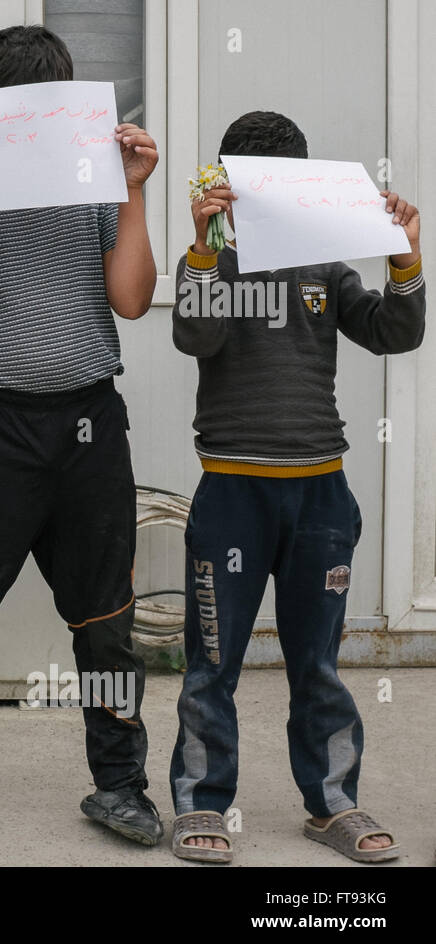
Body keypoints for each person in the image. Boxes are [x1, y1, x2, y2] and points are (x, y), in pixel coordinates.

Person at [0, 25, 162, 858]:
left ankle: (120, 785)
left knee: (108, 619)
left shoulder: (97, 177)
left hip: (90, 422)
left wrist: (133, 191)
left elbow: (130, 301)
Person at [169, 110, 421, 864]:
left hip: (320, 495)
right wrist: (202, 245)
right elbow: (196, 335)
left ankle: (332, 803)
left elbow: (392, 332)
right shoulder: (210, 261)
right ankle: (201, 805)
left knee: (317, 664)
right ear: (229, 190)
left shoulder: (326, 265)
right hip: (232, 496)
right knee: (213, 663)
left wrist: (405, 261)